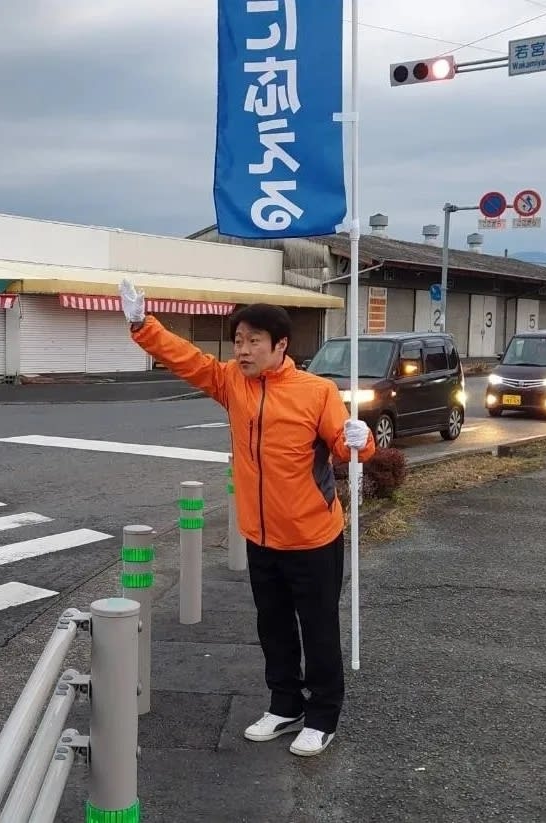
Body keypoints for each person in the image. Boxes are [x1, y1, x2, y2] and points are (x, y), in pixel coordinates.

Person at [119, 278, 375, 757]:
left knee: (317, 627)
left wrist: (360, 438)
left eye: (254, 340)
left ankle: (323, 716)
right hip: (260, 534)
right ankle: (284, 704)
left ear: (281, 345)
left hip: (313, 535)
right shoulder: (231, 383)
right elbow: (187, 359)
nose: (243, 349)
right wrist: (142, 324)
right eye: (238, 340)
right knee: (272, 624)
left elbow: (345, 447)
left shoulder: (316, 392)